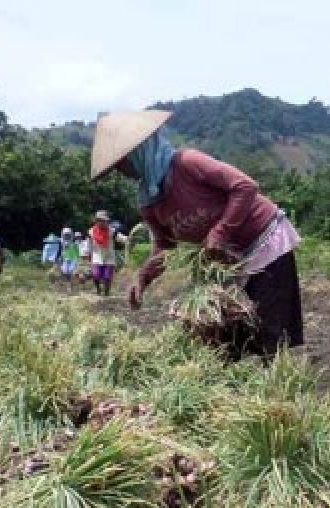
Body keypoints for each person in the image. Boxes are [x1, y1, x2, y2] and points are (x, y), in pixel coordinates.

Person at [90, 109, 303, 356]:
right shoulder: (149, 200)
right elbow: (165, 245)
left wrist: (220, 232)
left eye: (121, 163)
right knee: (224, 334)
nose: (121, 172)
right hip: (225, 261)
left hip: (262, 241)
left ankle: (276, 386)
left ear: (140, 151)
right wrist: (144, 277)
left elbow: (245, 187)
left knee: (269, 329)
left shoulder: (188, 163)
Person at [89, 211, 117, 296]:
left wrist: (127, 240)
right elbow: (89, 243)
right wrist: (87, 252)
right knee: (95, 274)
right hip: (97, 256)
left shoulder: (111, 231)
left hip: (109, 256)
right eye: (101, 221)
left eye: (105, 221)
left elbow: (119, 237)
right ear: (97, 221)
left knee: (107, 276)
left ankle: (106, 292)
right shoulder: (91, 231)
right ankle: (98, 289)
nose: (103, 223)